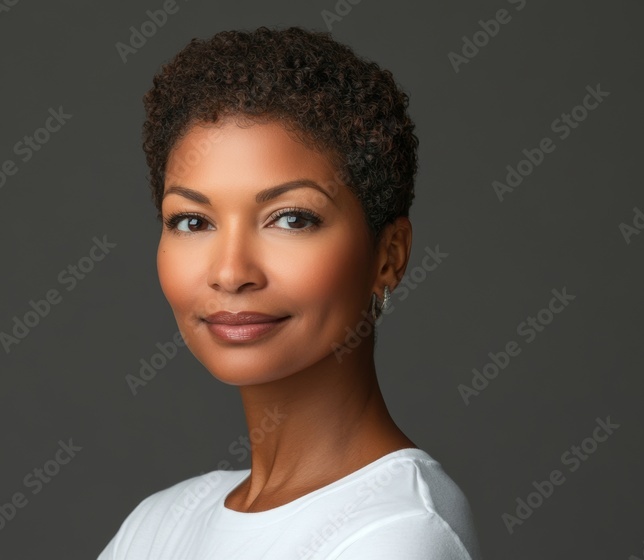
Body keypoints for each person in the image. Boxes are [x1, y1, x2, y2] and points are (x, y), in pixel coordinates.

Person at [98, 25, 481, 560]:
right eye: (191, 221)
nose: (231, 272)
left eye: (292, 219)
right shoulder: (159, 523)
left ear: (388, 256)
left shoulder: (398, 534)